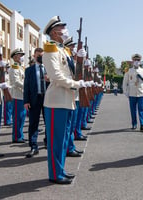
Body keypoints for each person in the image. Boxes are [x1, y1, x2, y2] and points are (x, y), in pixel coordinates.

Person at [43, 16, 86, 184]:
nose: (64, 30)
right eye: (61, 28)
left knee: (62, 139)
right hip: (56, 101)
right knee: (56, 140)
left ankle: (59, 169)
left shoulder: (62, 50)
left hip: (66, 100)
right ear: (54, 32)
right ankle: (55, 174)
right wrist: (75, 84)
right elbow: (56, 76)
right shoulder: (50, 49)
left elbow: (70, 71)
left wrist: (78, 58)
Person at [23, 48, 49, 158]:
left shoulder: (49, 69)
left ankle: (48, 141)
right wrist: (26, 101)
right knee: (33, 123)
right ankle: (33, 146)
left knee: (48, 121)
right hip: (35, 99)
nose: (40, 57)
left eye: (42, 56)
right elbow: (26, 86)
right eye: (39, 55)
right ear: (34, 56)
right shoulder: (29, 70)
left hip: (48, 98)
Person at [63, 36, 85, 156]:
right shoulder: (66, 61)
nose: (73, 49)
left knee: (72, 124)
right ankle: (68, 148)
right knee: (69, 126)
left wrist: (82, 59)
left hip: (75, 96)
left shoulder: (73, 61)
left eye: (74, 47)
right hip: (69, 95)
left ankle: (70, 147)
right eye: (71, 47)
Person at [122, 53, 143, 131]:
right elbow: (125, 82)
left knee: (141, 109)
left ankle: (142, 125)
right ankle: (134, 124)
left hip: (141, 93)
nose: (136, 61)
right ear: (132, 61)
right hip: (132, 93)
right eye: (135, 60)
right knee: (133, 110)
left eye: (138, 60)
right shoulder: (128, 70)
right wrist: (125, 92)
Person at [9, 48, 26, 143]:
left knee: (22, 117)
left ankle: (20, 135)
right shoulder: (14, 68)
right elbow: (16, 82)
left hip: (22, 95)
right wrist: (26, 87)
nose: (21, 58)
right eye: (20, 56)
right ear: (15, 57)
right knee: (17, 117)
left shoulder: (20, 68)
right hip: (17, 95)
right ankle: (16, 137)